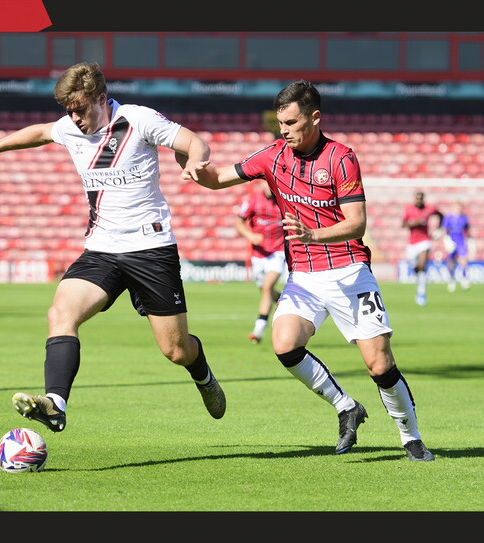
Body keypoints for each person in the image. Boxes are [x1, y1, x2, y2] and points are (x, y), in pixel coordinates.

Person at [0, 62, 226, 435]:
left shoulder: (137, 119)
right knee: (61, 313)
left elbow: (192, 142)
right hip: (102, 249)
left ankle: (202, 374)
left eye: (80, 110)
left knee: (176, 350)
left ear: (102, 99)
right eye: (68, 111)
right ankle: (55, 404)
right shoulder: (69, 128)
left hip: (150, 247)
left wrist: (196, 162)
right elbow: (40, 132)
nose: (74, 119)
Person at [184, 80, 434, 460]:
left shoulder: (341, 158)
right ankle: (346, 406)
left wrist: (312, 234)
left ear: (314, 118)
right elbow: (216, 179)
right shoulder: (273, 156)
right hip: (304, 275)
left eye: (291, 122)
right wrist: (187, 160)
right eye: (280, 123)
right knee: (284, 343)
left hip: (349, 271)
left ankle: (410, 436)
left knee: (379, 363)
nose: (283, 130)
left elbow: (357, 223)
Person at [234, 181, 286, 344]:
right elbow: (238, 222)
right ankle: (283, 300)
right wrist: (250, 236)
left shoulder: (284, 199)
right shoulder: (253, 200)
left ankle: (259, 329)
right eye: (266, 182)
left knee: (267, 287)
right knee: (264, 289)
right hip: (258, 254)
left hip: (278, 252)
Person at [402, 191, 442, 306]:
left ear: (423, 199)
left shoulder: (428, 209)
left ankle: (421, 293)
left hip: (424, 241)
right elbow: (403, 224)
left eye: (420, 198)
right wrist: (415, 223)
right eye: (417, 198)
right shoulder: (408, 209)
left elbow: (440, 215)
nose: (419, 200)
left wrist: (438, 229)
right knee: (416, 267)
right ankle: (418, 282)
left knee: (422, 265)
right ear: (414, 199)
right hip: (412, 243)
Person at [441, 200, 471, 292]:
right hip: (451, 239)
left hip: (460, 240)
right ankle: (451, 279)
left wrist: (469, 240)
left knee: (463, 260)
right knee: (451, 261)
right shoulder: (449, 217)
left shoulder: (464, 218)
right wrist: (446, 240)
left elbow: (467, 230)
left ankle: (464, 278)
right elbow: (444, 229)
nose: (459, 209)